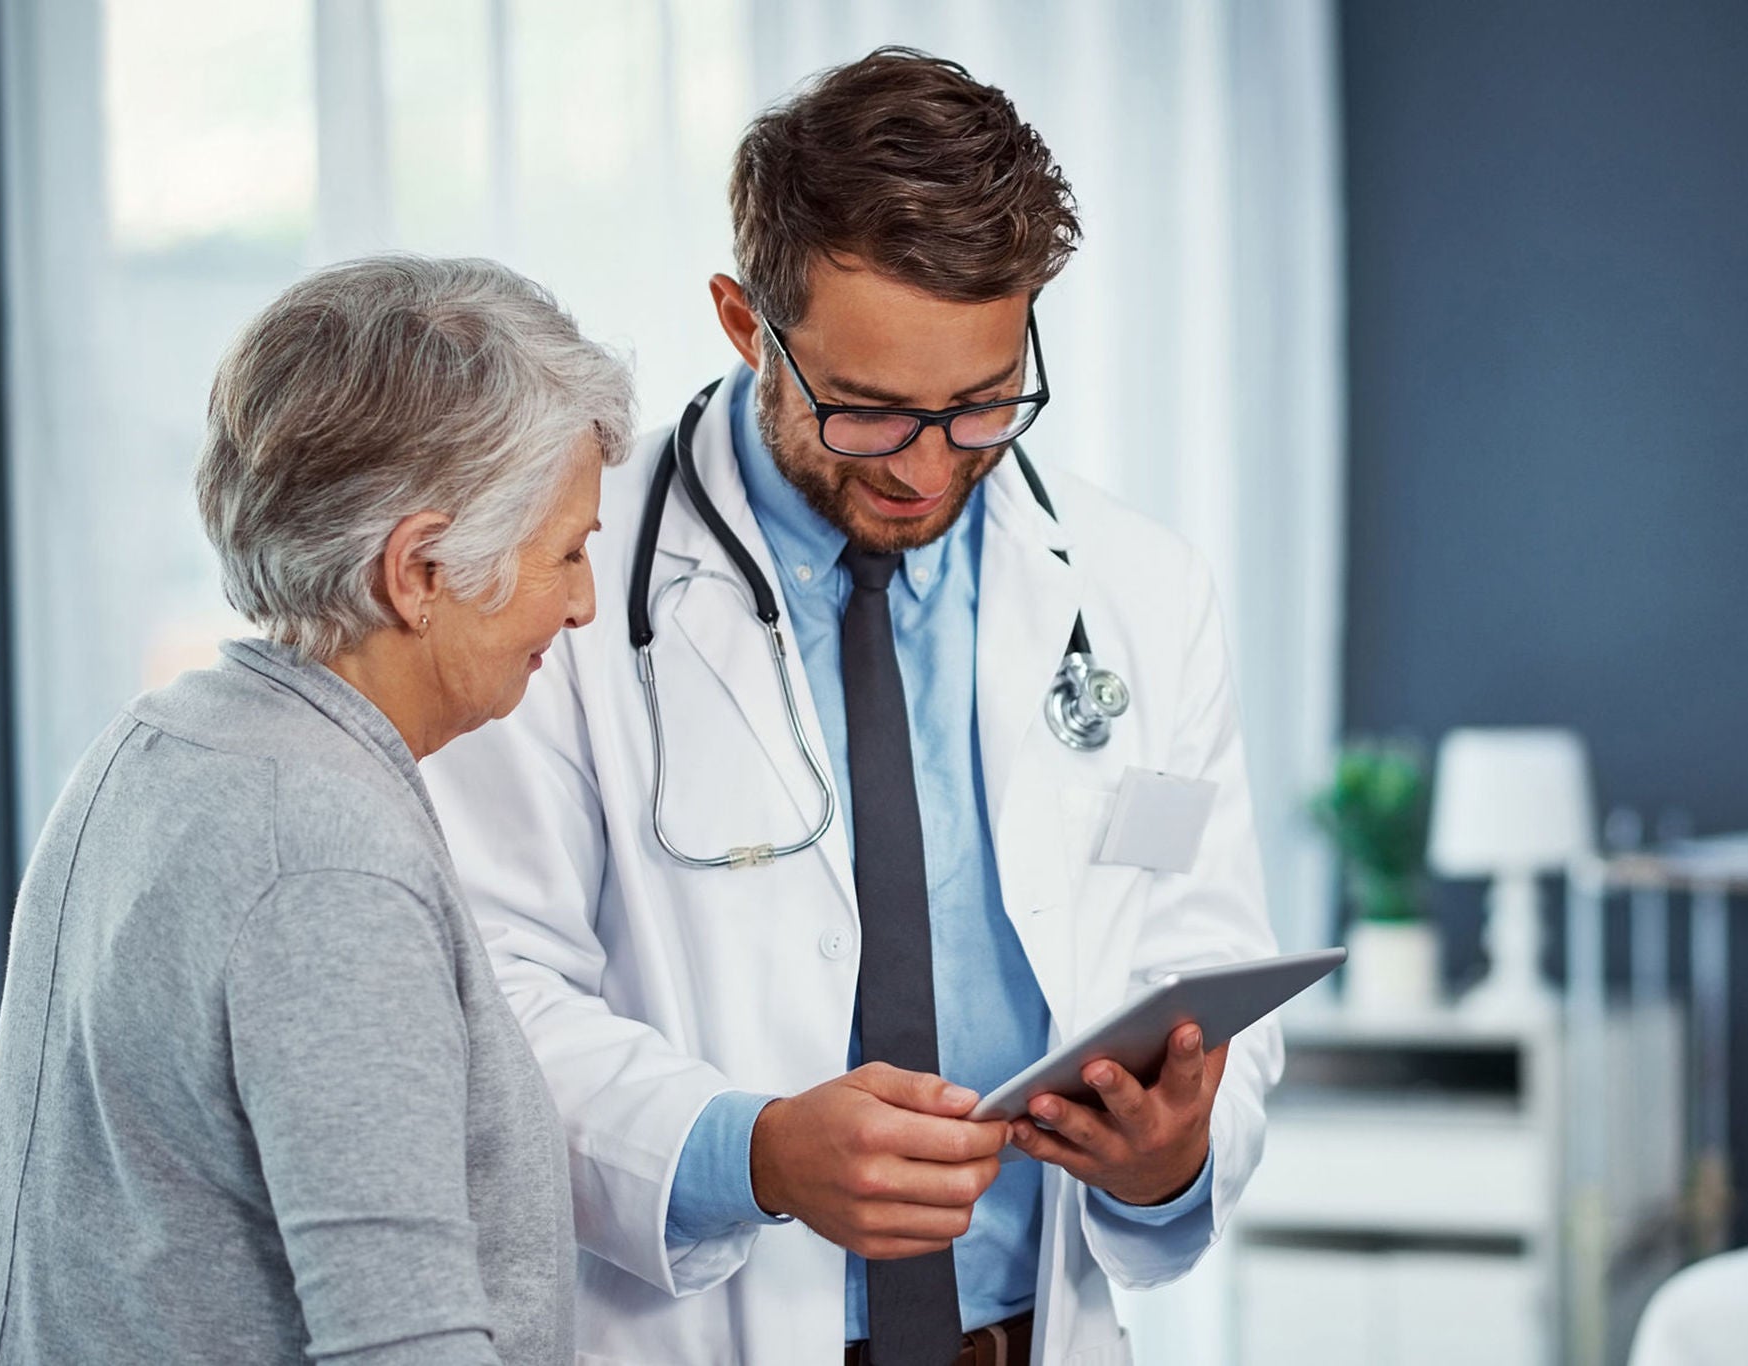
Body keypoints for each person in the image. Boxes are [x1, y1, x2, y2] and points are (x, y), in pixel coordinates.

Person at [425, 48, 1281, 1366]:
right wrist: (751, 1149)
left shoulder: (1141, 591)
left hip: (1025, 1333)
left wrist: (1169, 1152)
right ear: (741, 320)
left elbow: (1202, 954)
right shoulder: (564, 592)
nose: (932, 465)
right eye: (873, 411)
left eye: (985, 401)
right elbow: (489, 994)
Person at [0, 255, 635, 1366]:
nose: (580, 603)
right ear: (418, 569)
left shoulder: (159, 744)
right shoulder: (320, 855)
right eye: (564, 551)